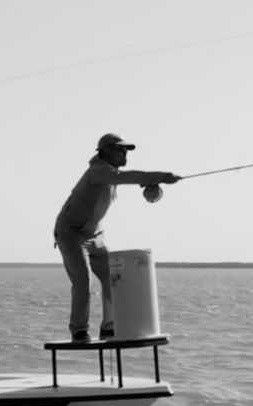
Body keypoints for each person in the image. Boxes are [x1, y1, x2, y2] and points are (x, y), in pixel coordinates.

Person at [52, 133, 179, 342]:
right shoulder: (98, 171)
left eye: (127, 150)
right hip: (71, 233)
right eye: (121, 149)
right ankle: (79, 331)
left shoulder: (110, 174)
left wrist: (150, 183)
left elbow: (127, 178)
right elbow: (127, 177)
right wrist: (161, 175)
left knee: (113, 278)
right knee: (83, 281)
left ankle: (109, 327)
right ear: (105, 151)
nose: (125, 154)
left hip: (95, 234)